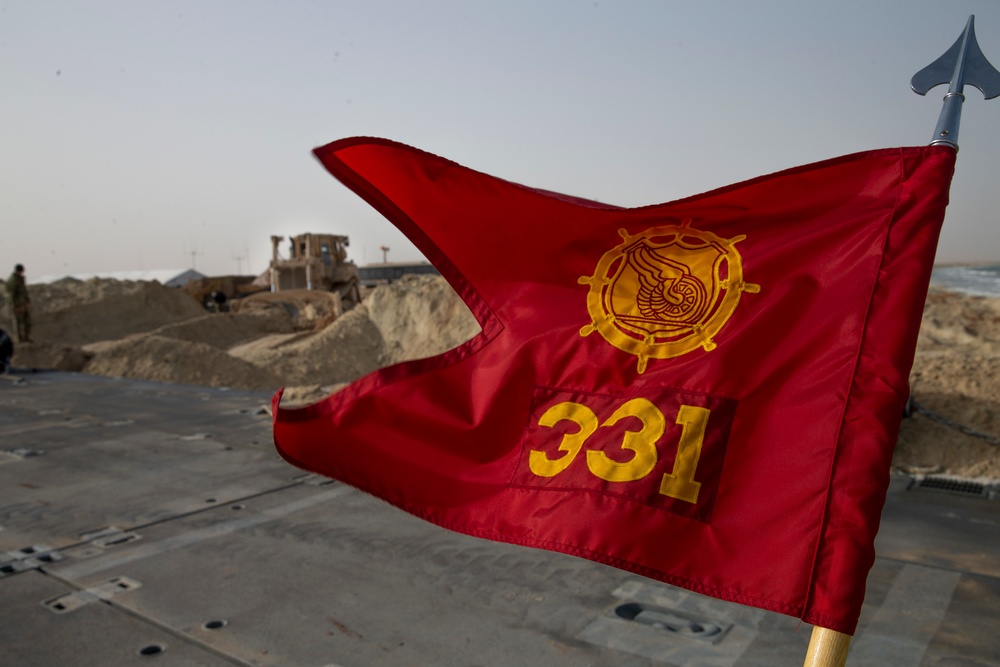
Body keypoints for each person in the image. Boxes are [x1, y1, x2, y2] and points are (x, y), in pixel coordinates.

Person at [5, 264, 32, 343]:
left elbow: (24, 291)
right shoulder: (12, 281)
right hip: (17, 305)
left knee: (27, 322)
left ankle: (26, 338)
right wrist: (16, 306)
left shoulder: (20, 279)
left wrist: (28, 301)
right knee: (18, 322)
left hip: (23, 304)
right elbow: (11, 296)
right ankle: (19, 339)